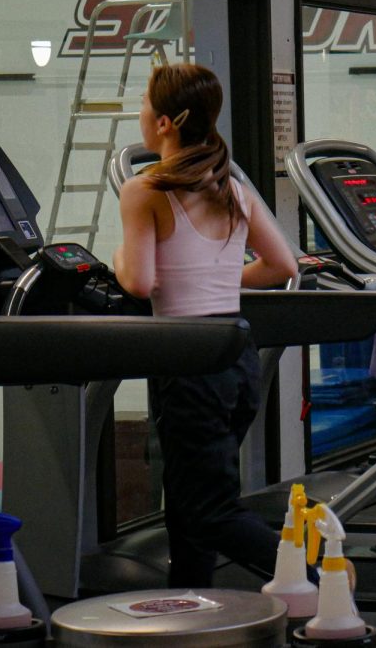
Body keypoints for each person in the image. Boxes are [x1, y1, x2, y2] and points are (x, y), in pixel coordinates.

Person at [113, 63, 300, 586]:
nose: (142, 113)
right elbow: (283, 265)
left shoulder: (144, 188)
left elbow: (139, 281)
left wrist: (117, 257)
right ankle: (191, 606)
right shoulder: (229, 186)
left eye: (147, 104)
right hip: (235, 357)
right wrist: (218, 281)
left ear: (167, 122)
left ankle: (317, 574)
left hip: (186, 360)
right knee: (189, 499)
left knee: (207, 509)